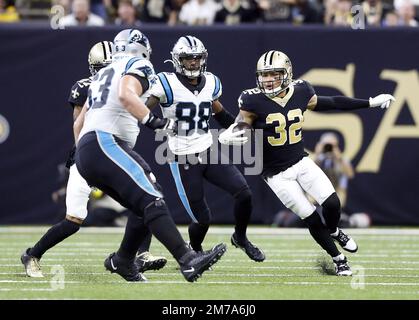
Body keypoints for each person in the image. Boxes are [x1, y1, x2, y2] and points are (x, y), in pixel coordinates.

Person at [219, 50, 395, 276]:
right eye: (264, 75)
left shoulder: (301, 91)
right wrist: (232, 132)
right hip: (275, 174)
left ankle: (334, 230)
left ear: (288, 73)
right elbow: (243, 122)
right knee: (310, 216)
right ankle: (339, 259)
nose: (268, 79)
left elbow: (331, 102)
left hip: (301, 161)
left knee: (332, 204)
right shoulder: (251, 98)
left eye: (274, 74)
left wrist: (369, 102)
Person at [74, 29, 227, 282]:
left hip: (92, 148)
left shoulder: (103, 73)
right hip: (106, 143)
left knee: (142, 200)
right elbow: (126, 95)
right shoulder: (138, 64)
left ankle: (122, 260)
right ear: (142, 49)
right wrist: (152, 121)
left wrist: (81, 156)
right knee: (151, 197)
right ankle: (187, 260)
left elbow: (80, 121)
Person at [21, 39, 166, 279]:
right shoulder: (88, 87)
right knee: (73, 221)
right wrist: (85, 157)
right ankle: (33, 254)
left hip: (114, 153)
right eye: (101, 67)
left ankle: (141, 254)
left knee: (144, 200)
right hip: (91, 157)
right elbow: (78, 124)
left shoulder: (128, 84)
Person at [145, 35, 265, 262]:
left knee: (244, 193)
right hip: (182, 156)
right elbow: (142, 111)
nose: (193, 62)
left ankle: (241, 237)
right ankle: (196, 249)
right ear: (177, 59)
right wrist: (159, 124)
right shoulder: (165, 83)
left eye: (197, 58)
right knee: (202, 218)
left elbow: (220, 113)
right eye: (188, 58)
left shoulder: (210, 82)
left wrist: (239, 129)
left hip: (207, 150)